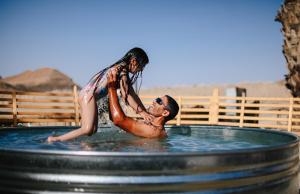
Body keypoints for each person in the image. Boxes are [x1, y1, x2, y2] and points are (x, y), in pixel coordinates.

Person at [47, 47, 153, 142]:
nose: (142, 69)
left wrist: (145, 112)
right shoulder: (122, 71)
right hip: (88, 96)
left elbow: (133, 94)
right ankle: (56, 139)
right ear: (134, 61)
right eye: (142, 65)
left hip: (86, 95)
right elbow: (128, 95)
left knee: (92, 131)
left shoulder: (120, 68)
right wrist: (143, 113)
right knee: (87, 129)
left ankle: (79, 146)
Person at [107, 68, 179, 138]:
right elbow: (114, 119)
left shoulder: (153, 130)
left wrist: (111, 87)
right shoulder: (149, 125)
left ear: (165, 113)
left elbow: (118, 120)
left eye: (159, 101)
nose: (154, 101)